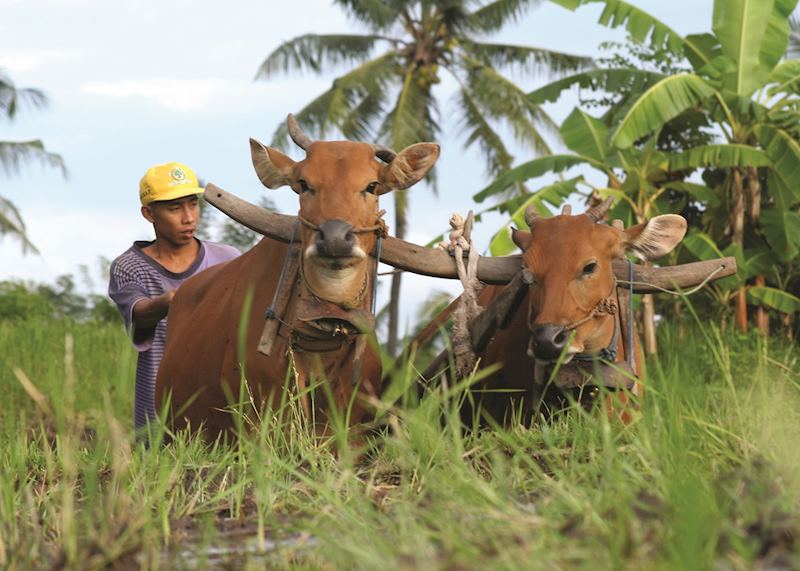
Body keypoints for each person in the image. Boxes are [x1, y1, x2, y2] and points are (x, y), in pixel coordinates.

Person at [108, 162, 240, 434]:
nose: (188, 217)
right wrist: (175, 300)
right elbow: (140, 311)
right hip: (160, 401)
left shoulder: (227, 259)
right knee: (158, 472)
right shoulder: (129, 267)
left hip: (221, 400)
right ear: (149, 214)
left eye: (193, 204)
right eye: (174, 208)